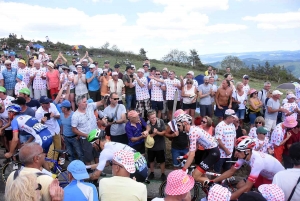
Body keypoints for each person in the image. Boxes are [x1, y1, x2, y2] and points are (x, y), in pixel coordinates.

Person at [211, 136, 284, 200]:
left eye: (238, 151)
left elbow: (247, 187)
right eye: (236, 150)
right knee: (239, 185)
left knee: (254, 194)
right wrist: (213, 181)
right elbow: (231, 171)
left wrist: (228, 199)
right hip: (263, 174)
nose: (235, 154)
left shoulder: (257, 162)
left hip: (275, 179)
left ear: (247, 151)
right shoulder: (244, 156)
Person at [176, 113, 220, 184]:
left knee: (195, 176)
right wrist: (185, 156)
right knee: (201, 174)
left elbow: (192, 154)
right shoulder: (193, 129)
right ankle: (209, 190)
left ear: (185, 123)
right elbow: (195, 147)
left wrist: (183, 170)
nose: (178, 127)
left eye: (179, 125)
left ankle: (215, 189)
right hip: (209, 151)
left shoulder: (192, 133)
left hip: (213, 152)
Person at [71, 95, 103, 165]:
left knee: (97, 153)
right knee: (88, 156)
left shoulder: (90, 106)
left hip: (96, 134)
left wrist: (107, 97)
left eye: (86, 101)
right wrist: (85, 135)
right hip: (86, 138)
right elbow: (74, 129)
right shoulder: (75, 116)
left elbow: (101, 103)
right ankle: (89, 171)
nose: (86, 103)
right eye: (84, 102)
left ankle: (98, 170)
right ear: (79, 104)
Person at [146, 110, 167, 181]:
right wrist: (155, 134)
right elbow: (148, 136)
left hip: (160, 145)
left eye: (154, 117)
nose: (154, 119)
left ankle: (163, 173)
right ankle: (152, 172)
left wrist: (157, 132)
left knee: (162, 160)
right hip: (151, 146)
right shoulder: (147, 124)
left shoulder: (160, 122)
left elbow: (164, 132)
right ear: (148, 118)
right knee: (151, 160)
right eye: (152, 118)